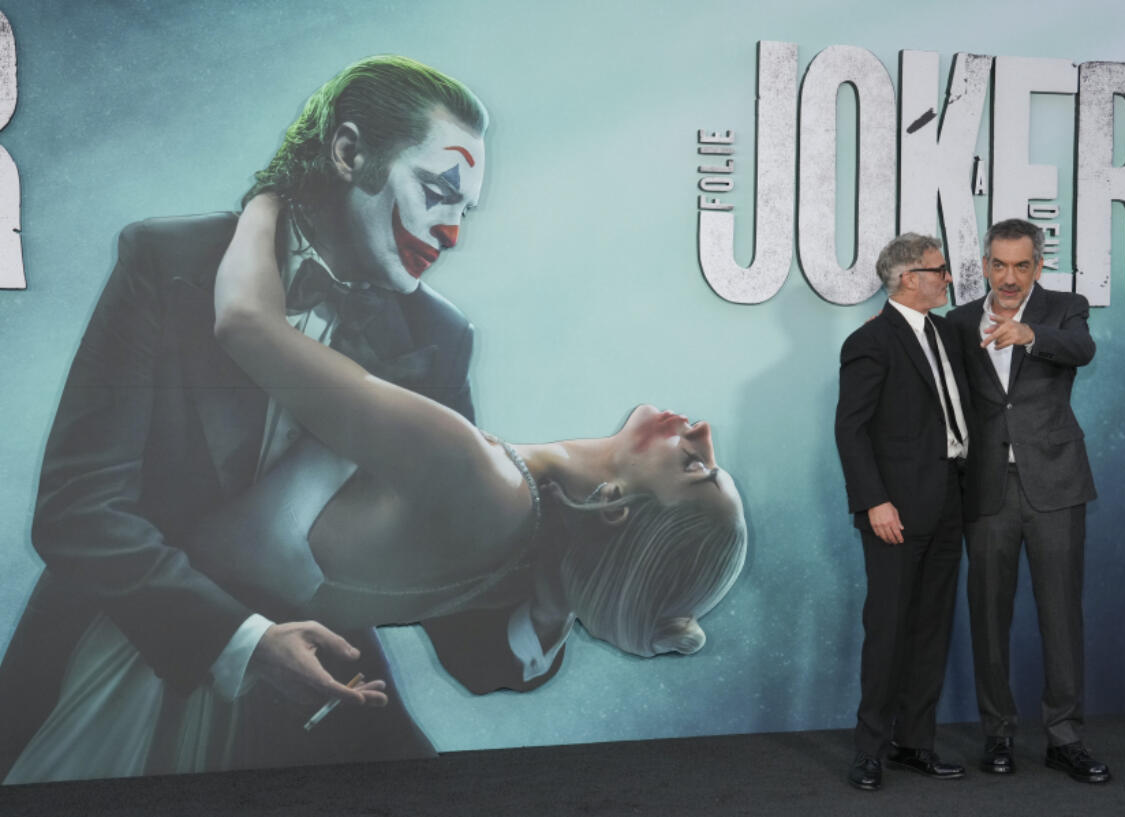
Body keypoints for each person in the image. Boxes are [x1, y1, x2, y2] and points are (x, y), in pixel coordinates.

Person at [5, 193, 747, 781]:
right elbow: (485, 635)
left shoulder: (474, 468)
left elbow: (244, 323)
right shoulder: (522, 531)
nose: (702, 432)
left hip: (193, 656)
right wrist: (565, 606)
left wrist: (269, 194)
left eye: (695, 468)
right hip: (153, 636)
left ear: (615, 507)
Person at [0, 55, 500, 779]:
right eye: (436, 192)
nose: (450, 233)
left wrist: (565, 599)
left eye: (464, 210)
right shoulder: (167, 262)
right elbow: (79, 509)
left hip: (306, 717)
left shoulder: (439, 341)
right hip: (106, 679)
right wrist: (244, 641)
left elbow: (449, 577)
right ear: (348, 150)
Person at [948, 219, 1109, 784]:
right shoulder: (960, 320)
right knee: (988, 615)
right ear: (985, 264)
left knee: (1060, 614)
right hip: (988, 488)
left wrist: (1030, 335)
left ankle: (1064, 737)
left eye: (1021, 265)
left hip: (1056, 486)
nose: (1009, 277)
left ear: (1038, 266)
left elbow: (1082, 350)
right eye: (999, 264)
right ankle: (998, 733)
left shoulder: (1066, 309)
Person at [834, 233, 970, 791]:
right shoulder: (871, 341)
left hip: (949, 502)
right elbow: (851, 428)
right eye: (941, 271)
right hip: (895, 511)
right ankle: (869, 750)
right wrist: (874, 501)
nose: (949, 279)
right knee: (888, 629)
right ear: (909, 277)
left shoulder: (946, 333)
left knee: (932, 629)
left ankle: (914, 743)